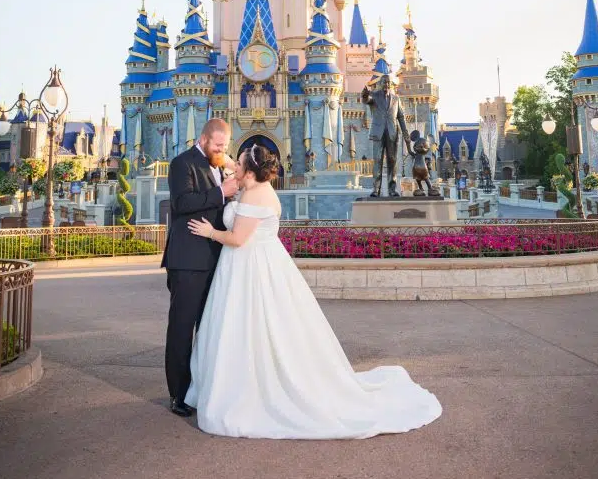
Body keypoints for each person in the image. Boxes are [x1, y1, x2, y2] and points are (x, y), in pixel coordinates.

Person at [186, 143, 442, 439]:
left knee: (252, 326)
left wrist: (210, 232)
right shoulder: (257, 187)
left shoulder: (255, 195)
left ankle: (251, 388)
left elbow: (238, 238)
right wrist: (221, 157)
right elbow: (234, 169)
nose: (235, 166)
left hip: (250, 267)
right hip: (254, 266)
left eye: (240, 163)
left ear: (251, 171)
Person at [160, 118, 239, 416]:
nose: (221, 150)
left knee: (208, 329)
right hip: (188, 262)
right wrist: (222, 192)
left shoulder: (219, 165)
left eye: (224, 146)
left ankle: (201, 389)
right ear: (204, 139)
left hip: (215, 259)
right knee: (182, 328)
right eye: (217, 144)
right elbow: (182, 203)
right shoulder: (182, 163)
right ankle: (178, 394)